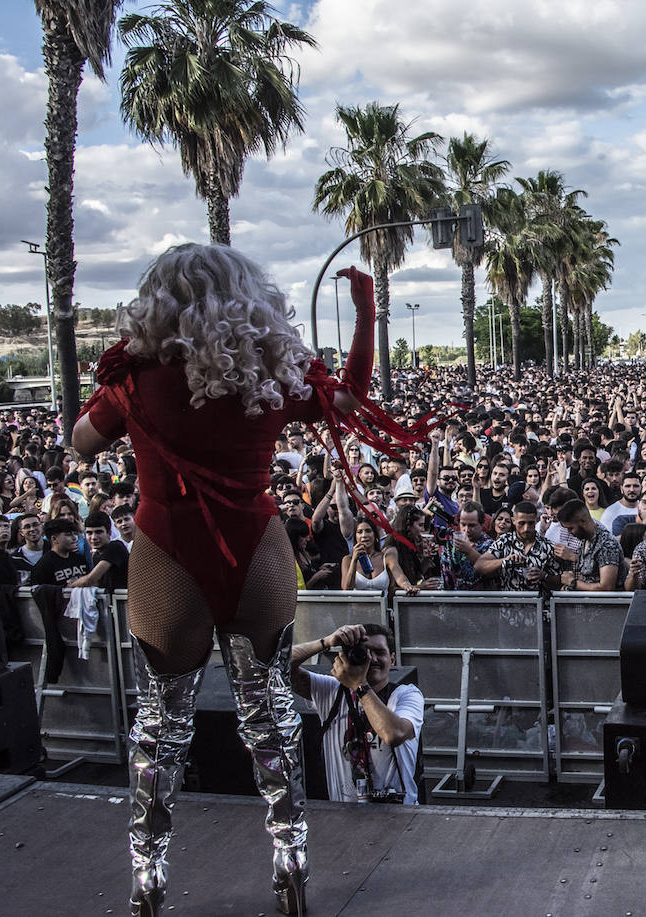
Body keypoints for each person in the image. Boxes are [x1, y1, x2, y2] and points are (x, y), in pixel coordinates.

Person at [71, 244, 390, 915]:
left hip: (166, 553)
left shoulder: (136, 379)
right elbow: (353, 400)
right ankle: (291, 855)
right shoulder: (268, 372)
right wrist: (365, 311)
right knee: (271, 712)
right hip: (257, 553)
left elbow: (83, 443)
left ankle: (149, 874)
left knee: (160, 725)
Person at [291, 624, 423, 805]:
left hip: (397, 817)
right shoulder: (331, 691)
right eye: (365, 652)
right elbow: (276, 667)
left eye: (379, 652)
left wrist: (359, 685)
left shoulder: (406, 695)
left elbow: (393, 734)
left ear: (392, 659)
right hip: (344, 818)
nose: (372, 659)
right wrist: (326, 642)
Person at [474, 501, 558, 592]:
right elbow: (479, 566)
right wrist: (504, 561)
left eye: (530, 523)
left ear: (536, 521)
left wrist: (544, 576)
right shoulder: (504, 541)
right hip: (509, 604)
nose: (526, 529)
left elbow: (559, 582)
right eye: (521, 523)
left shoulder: (548, 547)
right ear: (514, 521)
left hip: (538, 604)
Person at [554, 499, 622, 591]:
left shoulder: (606, 544)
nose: (569, 533)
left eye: (571, 528)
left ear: (583, 521)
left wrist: (573, 583)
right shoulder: (584, 540)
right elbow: (588, 580)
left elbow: (607, 587)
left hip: (603, 604)